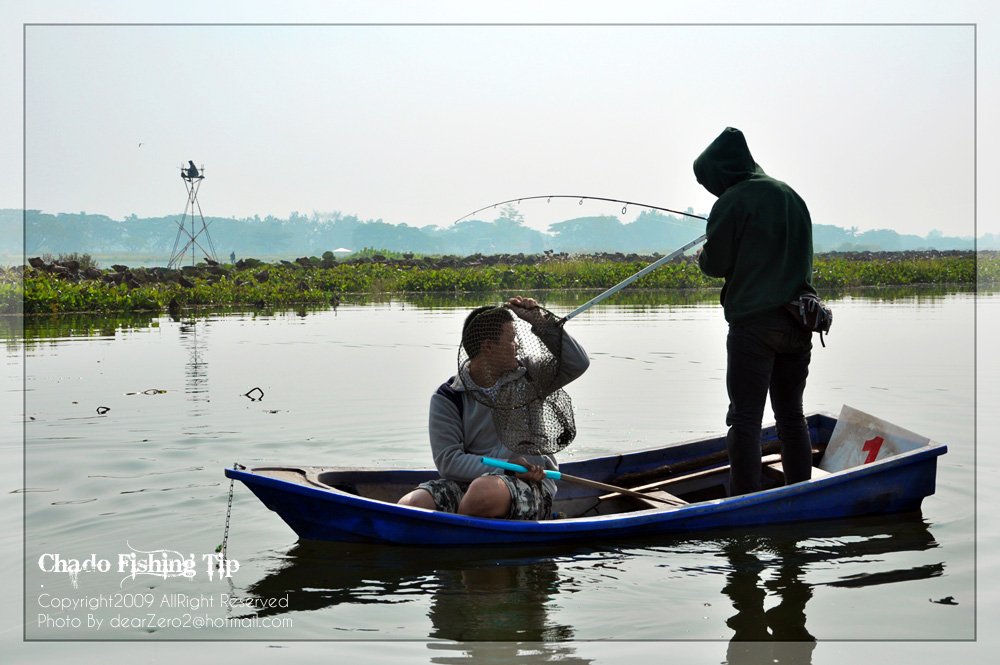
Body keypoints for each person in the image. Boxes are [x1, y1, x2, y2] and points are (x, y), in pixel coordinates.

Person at [693, 127, 816, 496]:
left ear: (721, 172)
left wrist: (703, 257)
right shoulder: (791, 196)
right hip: (799, 323)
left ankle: (743, 500)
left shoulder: (732, 200)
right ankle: (801, 494)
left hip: (755, 326)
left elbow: (716, 263)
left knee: (745, 420)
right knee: (791, 416)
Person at [397, 296, 590, 519]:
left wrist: (541, 322)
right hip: (470, 482)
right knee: (411, 505)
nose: (517, 346)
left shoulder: (531, 375)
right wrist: (506, 466)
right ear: (489, 347)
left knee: (482, 492)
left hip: (531, 484)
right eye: (511, 340)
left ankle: (455, 537)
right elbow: (448, 461)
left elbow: (578, 363)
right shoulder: (448, 396)